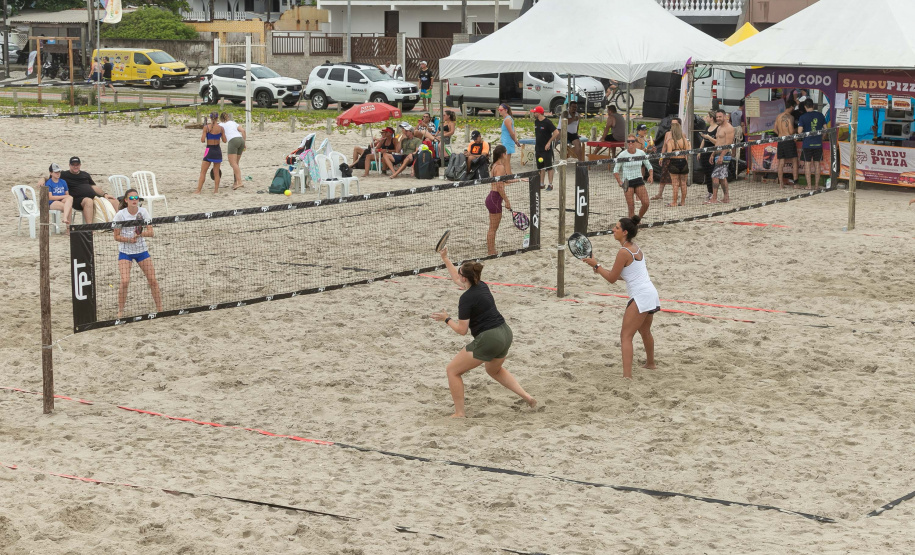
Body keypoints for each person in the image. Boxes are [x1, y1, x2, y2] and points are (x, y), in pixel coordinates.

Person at [430, 247, 536, 418]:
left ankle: (459, 413)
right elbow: (457, 278)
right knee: (494, 370)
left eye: (460, 272)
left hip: (490, 338)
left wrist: (446, 319)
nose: (458, 276)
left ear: (465, 278)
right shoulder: (482, 285)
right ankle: (528, 397)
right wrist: (445, 258)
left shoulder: (465, 299)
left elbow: (462, 330)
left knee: (452, 371)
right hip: (505, 333)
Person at [581, 216, 659, 379]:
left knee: (626, 336)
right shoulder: (635, 247)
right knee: (645, 331)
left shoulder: (623, 252)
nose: (613, 230)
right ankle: (650, 363)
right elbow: (625, 275)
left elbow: (611, 279)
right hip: (650, 293)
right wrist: (599, 268)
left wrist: (596, 265)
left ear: (625, 232)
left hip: (640, 295)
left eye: (616, 228)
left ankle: (627, 377)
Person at [113, 188, 163, 319]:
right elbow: (116, 236)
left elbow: (151, 232)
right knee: (125, 281)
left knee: (152, 280)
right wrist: (129, 239)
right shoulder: (120, 215)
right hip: (125, 251)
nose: (134, 200)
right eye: (131, 198)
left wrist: (140, 234)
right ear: (126, 200)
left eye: (136, 198)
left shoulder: (143, 212)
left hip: (141, 250)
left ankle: (160, 309)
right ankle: (120, 311)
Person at [60, 156, 118, 223]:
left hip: (94, 197)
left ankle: (119, 224)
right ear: (69, 165)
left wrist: (104, 194)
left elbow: (94, 186)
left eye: (77, 165)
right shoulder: (64, 175)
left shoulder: (85, 174)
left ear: (80, 165)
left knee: (114, 201)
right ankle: (89, 227)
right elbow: (52, 177)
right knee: (89, 201)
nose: (75, 167)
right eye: (73, 165)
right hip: (77, 199)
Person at [614, 134, 654, 218]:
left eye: (632, 141)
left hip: (638, 179)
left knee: (646, 203)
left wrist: (651, 175)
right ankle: (632, 222)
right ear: (626, 143)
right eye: (628, 141)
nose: (630, 143)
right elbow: (615, 170)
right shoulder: (622, 155)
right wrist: (619, 182)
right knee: (631, 206)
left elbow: (649, 166)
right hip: (627, 181)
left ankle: (638, 218)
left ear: (636, 142)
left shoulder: (641, 152)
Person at [484, 145, 513, 255]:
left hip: (491, 198)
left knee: (492, 227)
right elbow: (500, 186)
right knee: (493, 228)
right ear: (503, 154)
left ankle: (491, 250)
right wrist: (507, 201)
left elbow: (505, 181)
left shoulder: (494, 165)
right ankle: (491, 251)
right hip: (495, 199)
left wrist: (520, 179)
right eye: (506, 153)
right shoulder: (500, 167)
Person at [797, 98, 827, 190]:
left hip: (807, 144)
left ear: (805, 107)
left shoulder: (803, 117)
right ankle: (816, 186)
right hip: (818, 144)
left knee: (807, 164)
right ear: (813, 106)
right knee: (817, 164)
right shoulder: (820, 115)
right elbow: (826, 129)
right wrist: (822, 137)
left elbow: (799, 131)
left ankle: (809, 186)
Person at [195, 112, 226, 194]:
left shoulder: (206, 127)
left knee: (203, 172)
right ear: (217, 118)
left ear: (210, 118)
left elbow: (202, 140)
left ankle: (198, 190)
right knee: (216, 172)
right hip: (217, 150)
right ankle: (216, 190)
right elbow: (224, 140)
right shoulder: (221, 128)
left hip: (208, 149)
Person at [708, 109, 733, 204]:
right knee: (722, 177)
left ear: (725, 116)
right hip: (717, 154)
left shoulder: (729, 128)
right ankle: (726, 198)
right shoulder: (719, 128)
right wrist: (713, 153)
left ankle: (714, 198)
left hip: (724, 155)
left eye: (720, 117)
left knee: (715, 176)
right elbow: (718, 142)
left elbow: (728, 144)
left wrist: (722, 156)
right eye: (717, 117)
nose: (718, 118)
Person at [663, 121, 691, 207]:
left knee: (675, 183)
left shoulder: (670, 141)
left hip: (674, 162)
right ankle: (682, 202)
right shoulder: (684, 140)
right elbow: (688, 152)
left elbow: (669, 154)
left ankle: (674, 202)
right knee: (683, 183)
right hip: (683, 162)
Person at [532, 106, 559, 191]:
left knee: (549, 167)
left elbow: (556, 132)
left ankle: (550, 184)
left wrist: (549, 142)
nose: (533, 113)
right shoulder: (536, 122)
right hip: (538, 148)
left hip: (546, 149)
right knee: (541, 167)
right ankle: (541, 184)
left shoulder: (547, 122)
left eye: (535, 112)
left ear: (539, 113)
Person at [42, 163, 73, 233]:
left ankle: (65, 219)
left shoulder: (63, 182)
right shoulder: (49, 183)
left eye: (59, 172)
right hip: (52, 202)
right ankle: (68, 228)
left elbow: (67, 195)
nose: (58, 174)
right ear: (51, 173)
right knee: (68, 207)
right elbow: (50, 197)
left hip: (61, 200)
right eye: (56, 172)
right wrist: (64, 197)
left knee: (70, 199)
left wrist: (65, 197)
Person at [219, 112, 247, 190]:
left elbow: (223, 138)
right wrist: (244, 143)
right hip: (241, 140)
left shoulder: (220, 125)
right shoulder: (233, 123)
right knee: (236, 164)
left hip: (233, 141)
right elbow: (243, 131)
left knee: (233, 163)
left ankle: (240, 182)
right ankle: (235, 182)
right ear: (228, 117)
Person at [776, 98, 799, 189]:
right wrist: (796, 130)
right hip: (788, 140)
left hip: (780, 140)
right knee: (794, 161)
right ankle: (795, 184)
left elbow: (774, 129)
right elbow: (791, 131)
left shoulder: (778, 116)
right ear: (791, 107)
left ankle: (781, 184)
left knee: (781, 163)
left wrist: (781, 133)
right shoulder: (790, 117)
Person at [697, 111, 718, 200]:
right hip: (704, 153)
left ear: (711, 118)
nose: (706, 118)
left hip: (712, 153)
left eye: (708, 116)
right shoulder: (707, 127)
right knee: (706, 173)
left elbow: (717, 142)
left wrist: (708, 137)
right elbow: (703, 140)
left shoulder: (717, 128)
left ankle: (714, 192)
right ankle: (709, 191)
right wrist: (700, 151)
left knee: (712, 173)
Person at [498, 104, 521, 174]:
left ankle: (509, 177)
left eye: (501, 110)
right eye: (498, 110)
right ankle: (509, 175)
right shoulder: (508, 119)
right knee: (505, 161)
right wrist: (515, 140)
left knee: (506, 162)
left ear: (506, 110)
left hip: (507, 142)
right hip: (507, 141)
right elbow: (514, 130)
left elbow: (512, 133)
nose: (499, 111)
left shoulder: (507, 120)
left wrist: (515, 141)